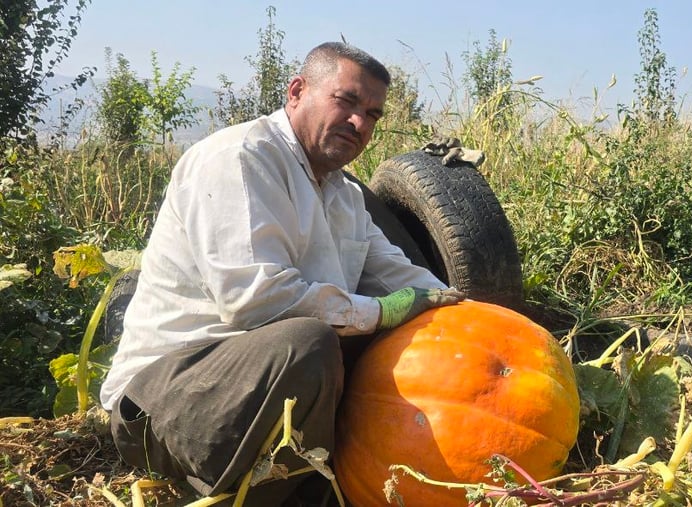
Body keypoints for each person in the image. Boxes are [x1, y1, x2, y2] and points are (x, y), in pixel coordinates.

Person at [99, 41, 465, 504]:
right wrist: (381, 312)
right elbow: (255, 300)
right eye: (347, 101)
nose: (358, 123)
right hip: (166, 403)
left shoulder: (344, 195)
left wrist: (477, 321)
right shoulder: (240, 158)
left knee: (369, 337)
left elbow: (397, 272)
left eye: (372, 114)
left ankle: (313, 476)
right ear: (296, 91)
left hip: (252, 391)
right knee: (310, 343)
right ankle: (280, 493)